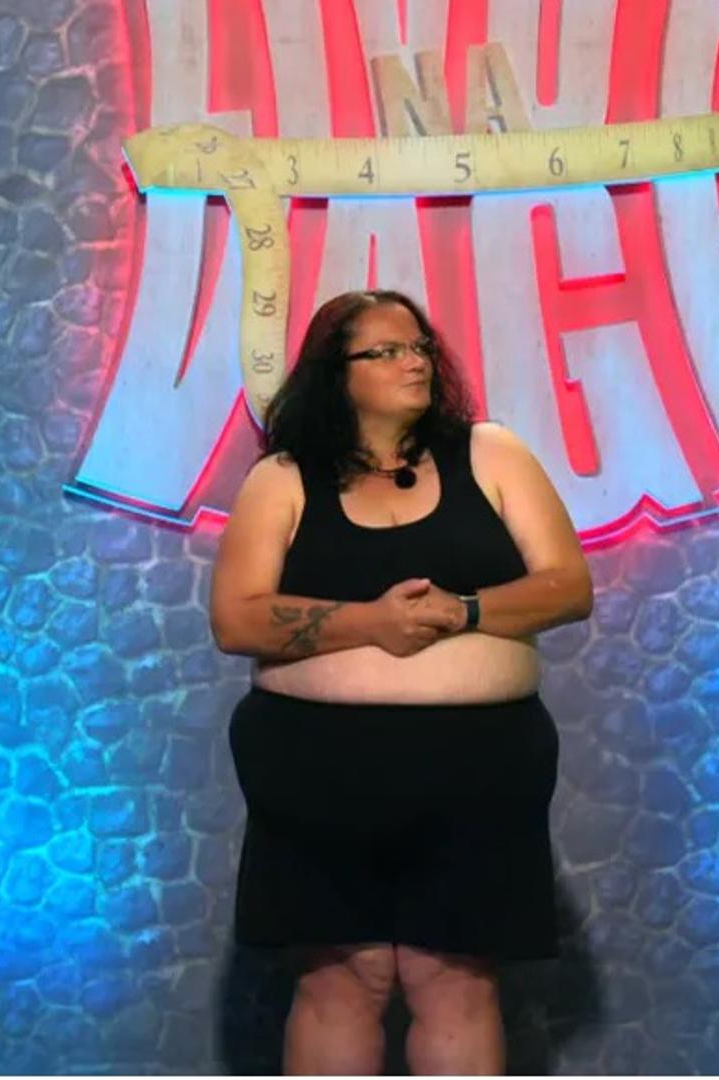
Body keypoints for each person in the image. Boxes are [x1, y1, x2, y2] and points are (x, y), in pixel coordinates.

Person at [208, 289, 594, 1075]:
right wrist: (371, 622)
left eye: (418, 346)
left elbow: (567, 587)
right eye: (384, 351)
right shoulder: (283, 477)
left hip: (480, 768)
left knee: (452, 979)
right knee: (343, 980)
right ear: (336, 373)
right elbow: (237, 619)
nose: (413, 361)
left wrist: (464, 610)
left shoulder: (491, 454)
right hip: (314, 770)